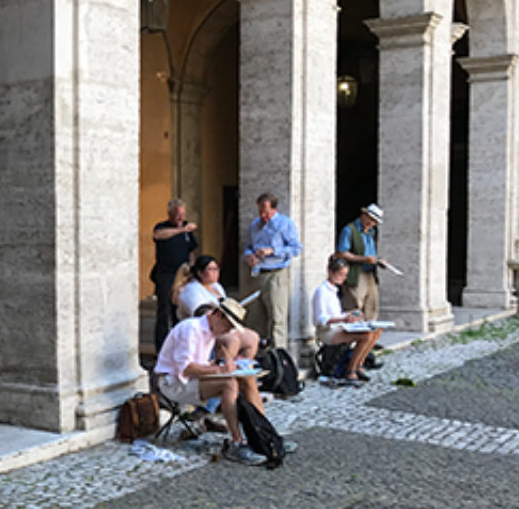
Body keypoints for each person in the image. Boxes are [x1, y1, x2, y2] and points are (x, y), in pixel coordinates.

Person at [153, 286, 271, 466]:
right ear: (217, 314)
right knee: (229, 383)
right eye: (228, 325)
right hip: (173, 383)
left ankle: (265, 434)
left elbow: (200, 364)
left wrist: (221, 365)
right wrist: (220, 371)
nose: (227, 331)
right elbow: (186, 369)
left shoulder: (210, 330)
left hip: (190, 379)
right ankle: (237, 442)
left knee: (247, 377)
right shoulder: (192, 329)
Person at [311, 255, 383, 385]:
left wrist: (349, 315)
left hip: (339, 327)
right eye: (340, 275)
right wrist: (344, 318)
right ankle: (351, 370)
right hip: (327, 331)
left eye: (345, 275)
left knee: (376, 331)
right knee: (366, 335)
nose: (343, 278)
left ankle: (359, 364)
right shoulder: (322, 291)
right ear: (330, 272)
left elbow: (336, 314)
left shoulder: (333, 290)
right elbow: (320, 319)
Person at [243, 193, 302, 348]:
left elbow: (296, 249)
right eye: (260, 211)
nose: (263, 216)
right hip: (257, 273)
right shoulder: (254, 225)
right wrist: (249, 256)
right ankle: (258, 355)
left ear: (275, 209)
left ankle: (278, 356)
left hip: (276, 273)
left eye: (267, 212)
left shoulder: (285, 224)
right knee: (256, 317)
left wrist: (272, 251)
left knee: (277, 318)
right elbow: (248, 246)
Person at [151, 198, 199, 352]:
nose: (181, 218)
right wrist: (181, 230)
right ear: (170, 214)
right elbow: (158, 235)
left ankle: (179, 346)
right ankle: (161, 349)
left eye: (183, 214)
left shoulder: (187, 231)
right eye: (178, 215)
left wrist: (191, 270)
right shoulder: (162, 227)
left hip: (182, 276)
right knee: (164, 312)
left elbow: (191, 251)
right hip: (165, 274)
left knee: (179, 311)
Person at [336, 203, 386, 320]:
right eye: (370, 219)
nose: (371, 223)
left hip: (369, 273)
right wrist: (363, 259)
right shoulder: (349, 230)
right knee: (355, 305)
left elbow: (370, 252)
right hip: (355, 273)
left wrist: (378, 261)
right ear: (364, 215)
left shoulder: (371, 232)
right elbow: (342, 253)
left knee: (371, 305)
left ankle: (369, 335)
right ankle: (354, 335)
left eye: (375, 221)